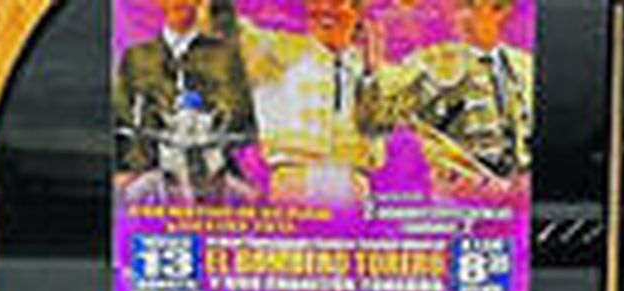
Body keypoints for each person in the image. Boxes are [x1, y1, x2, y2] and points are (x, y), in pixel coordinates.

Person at [216, 0, 388, 202]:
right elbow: (224, 24)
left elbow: (377, 135)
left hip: (354, 187)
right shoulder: (275, 52)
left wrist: (371, 74)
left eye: (336, 2)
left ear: (358, 12)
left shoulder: (371, 66)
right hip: (294, 183)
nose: (324, 8)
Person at [360, 0, 532, 196]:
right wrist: (372, 71)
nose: (459, 16)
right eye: (457, 7)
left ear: (500, 10)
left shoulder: (525, 65)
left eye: (470, 6)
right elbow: (375, 121)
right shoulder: (433, 60)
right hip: (461, 197)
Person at [115, 0, 257, 205]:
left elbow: (241, 113)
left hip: (213, 169)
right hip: (152, 170)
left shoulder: (226, 56)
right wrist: (133, 166)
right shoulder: (137, 57)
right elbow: (123, 117)